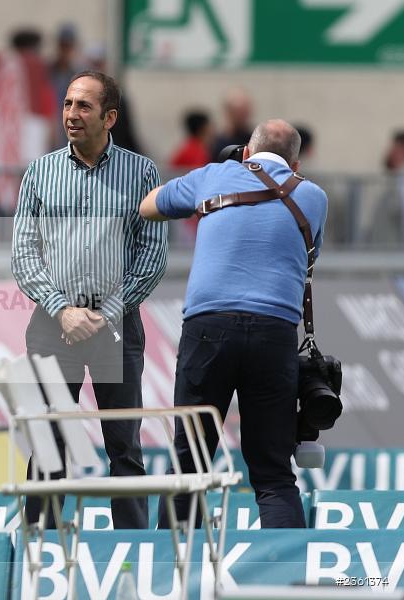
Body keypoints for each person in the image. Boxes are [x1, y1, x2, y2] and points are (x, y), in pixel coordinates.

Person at [140, 119, 328, 528]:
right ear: (295, 163)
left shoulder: (214, 175)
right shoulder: (312, 196)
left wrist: (217, 178)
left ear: (245, 151)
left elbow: (149, 206)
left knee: (189, 465)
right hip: (275, 333)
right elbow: (311, 252)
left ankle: (172, 580)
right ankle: (286, 582)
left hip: (209, 328)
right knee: (274, 474)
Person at [12, 70, 168, 529]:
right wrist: (62, 309)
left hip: (116, 327)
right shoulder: (40, 171)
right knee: (47, 445)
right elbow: (24, 252)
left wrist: (105, 314)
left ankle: (137, 556)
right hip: (51, 325)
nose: (71, 114)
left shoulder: (141, 172)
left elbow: (152, 255)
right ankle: (38, 551)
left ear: (110, 116)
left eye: (83, 106)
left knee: (124, 447)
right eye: (67, 104)